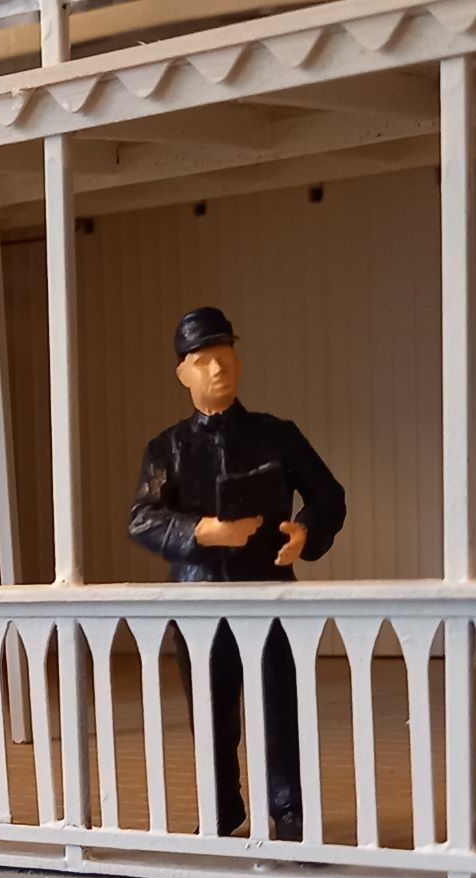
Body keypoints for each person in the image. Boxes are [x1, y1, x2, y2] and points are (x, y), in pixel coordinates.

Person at [128, 307, 346, 840]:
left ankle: (289, 809)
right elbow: (143, 518)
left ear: (239, 362)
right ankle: (220, 808)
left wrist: (305, 531)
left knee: (280, 706)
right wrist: (203, 532)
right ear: (183, 373)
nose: (218, 369)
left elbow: (328, 496)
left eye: (225, 357)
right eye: (203, 361)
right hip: (198, 604)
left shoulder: (277, 436)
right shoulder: (167, 448)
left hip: (268, 594)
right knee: (211, 712)